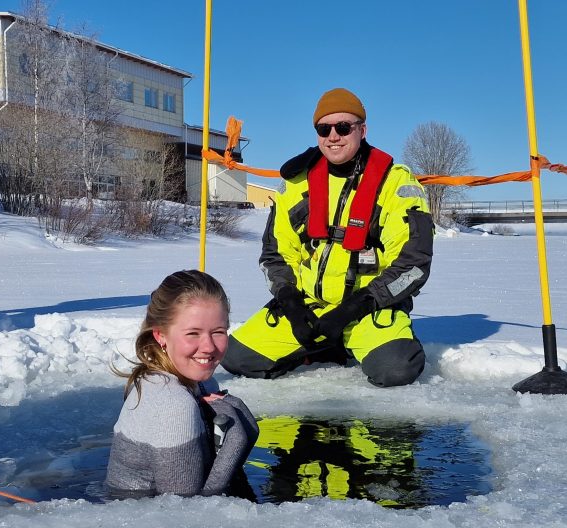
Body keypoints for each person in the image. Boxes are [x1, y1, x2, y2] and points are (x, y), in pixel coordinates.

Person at [222, 87, 434, 388]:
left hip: (368, 309)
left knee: (396, 369)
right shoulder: (297, 183)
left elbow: (414, 264)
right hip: (309, 307)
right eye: (324, 128)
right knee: (236, 358)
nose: (333, 136)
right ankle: (323, 344)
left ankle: (367, 341)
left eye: (343, 127)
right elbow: (276, 255)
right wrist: (290, 301)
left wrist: (356, 306)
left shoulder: (396, 183)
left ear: (362, 130)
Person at [105, 269, 258, 499]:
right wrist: (237, 443)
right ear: (161, 335)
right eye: (193, 333)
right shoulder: (173, 403)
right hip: (139, 525)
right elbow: (183, 514)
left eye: (218, 332)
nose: (208, 346)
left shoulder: (201, 383)